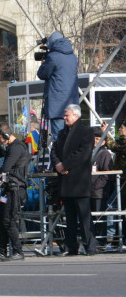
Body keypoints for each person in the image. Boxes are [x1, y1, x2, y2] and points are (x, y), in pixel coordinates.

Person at [50, 104, 95, 256]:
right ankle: (72, 247)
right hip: (65, 181)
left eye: (66, 115)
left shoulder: (86, 132)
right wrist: (57, 165)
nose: (64, 118)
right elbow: (54, 150)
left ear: (75, 116)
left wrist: (65, 164)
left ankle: (90, 247)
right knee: (70, 218)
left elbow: (83, 153)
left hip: (79, 181)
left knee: (84, 217)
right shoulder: (62, 133)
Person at [0, 122, 31, 261]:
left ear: (5, 135)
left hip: (15, 189)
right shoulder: (12, 147)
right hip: (9, 188)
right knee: (2, 220)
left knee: (8, 220)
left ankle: (18, 251)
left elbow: (6, 167)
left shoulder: (16, 148)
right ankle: (2, 250)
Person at [37, 31, 79, 142]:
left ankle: (60, 159)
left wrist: (43, 64)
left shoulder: (53, 57)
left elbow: (42, 74)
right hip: (72, 104)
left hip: (57, 106)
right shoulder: (73, 57)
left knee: (59, 138)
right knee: (72, 138)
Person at [91, 127, 113, 244]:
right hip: (89, 191)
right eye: (94, 139)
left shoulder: (104, 153)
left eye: (98, 139)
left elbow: (106, 175)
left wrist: (96, 187)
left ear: (103, 141)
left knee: (99, 218)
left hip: (99, 192)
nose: (95, 141)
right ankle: (94, 240)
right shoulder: (90, 152)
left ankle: (101, 240)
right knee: (91, 218)